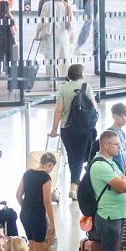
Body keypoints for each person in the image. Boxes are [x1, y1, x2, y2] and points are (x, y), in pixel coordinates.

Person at [47, 66, 96, 198]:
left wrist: (54, 129)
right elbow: (93, 108)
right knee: (79, 157)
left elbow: (59, 110)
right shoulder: (86, 87)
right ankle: (74, 187)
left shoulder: (63, 88)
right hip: (83, 128)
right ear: (81, 74)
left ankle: (75, 185)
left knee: (72, 156)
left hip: (66, 128)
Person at [15, 152, 56, 251]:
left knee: (31, 245)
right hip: (38, 216)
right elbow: (47, 202)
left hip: (25, 214)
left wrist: (26, 207)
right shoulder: (45, 177)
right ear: (50, 164)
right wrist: (53, 223)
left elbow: (18, 195)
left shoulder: (27, 173)